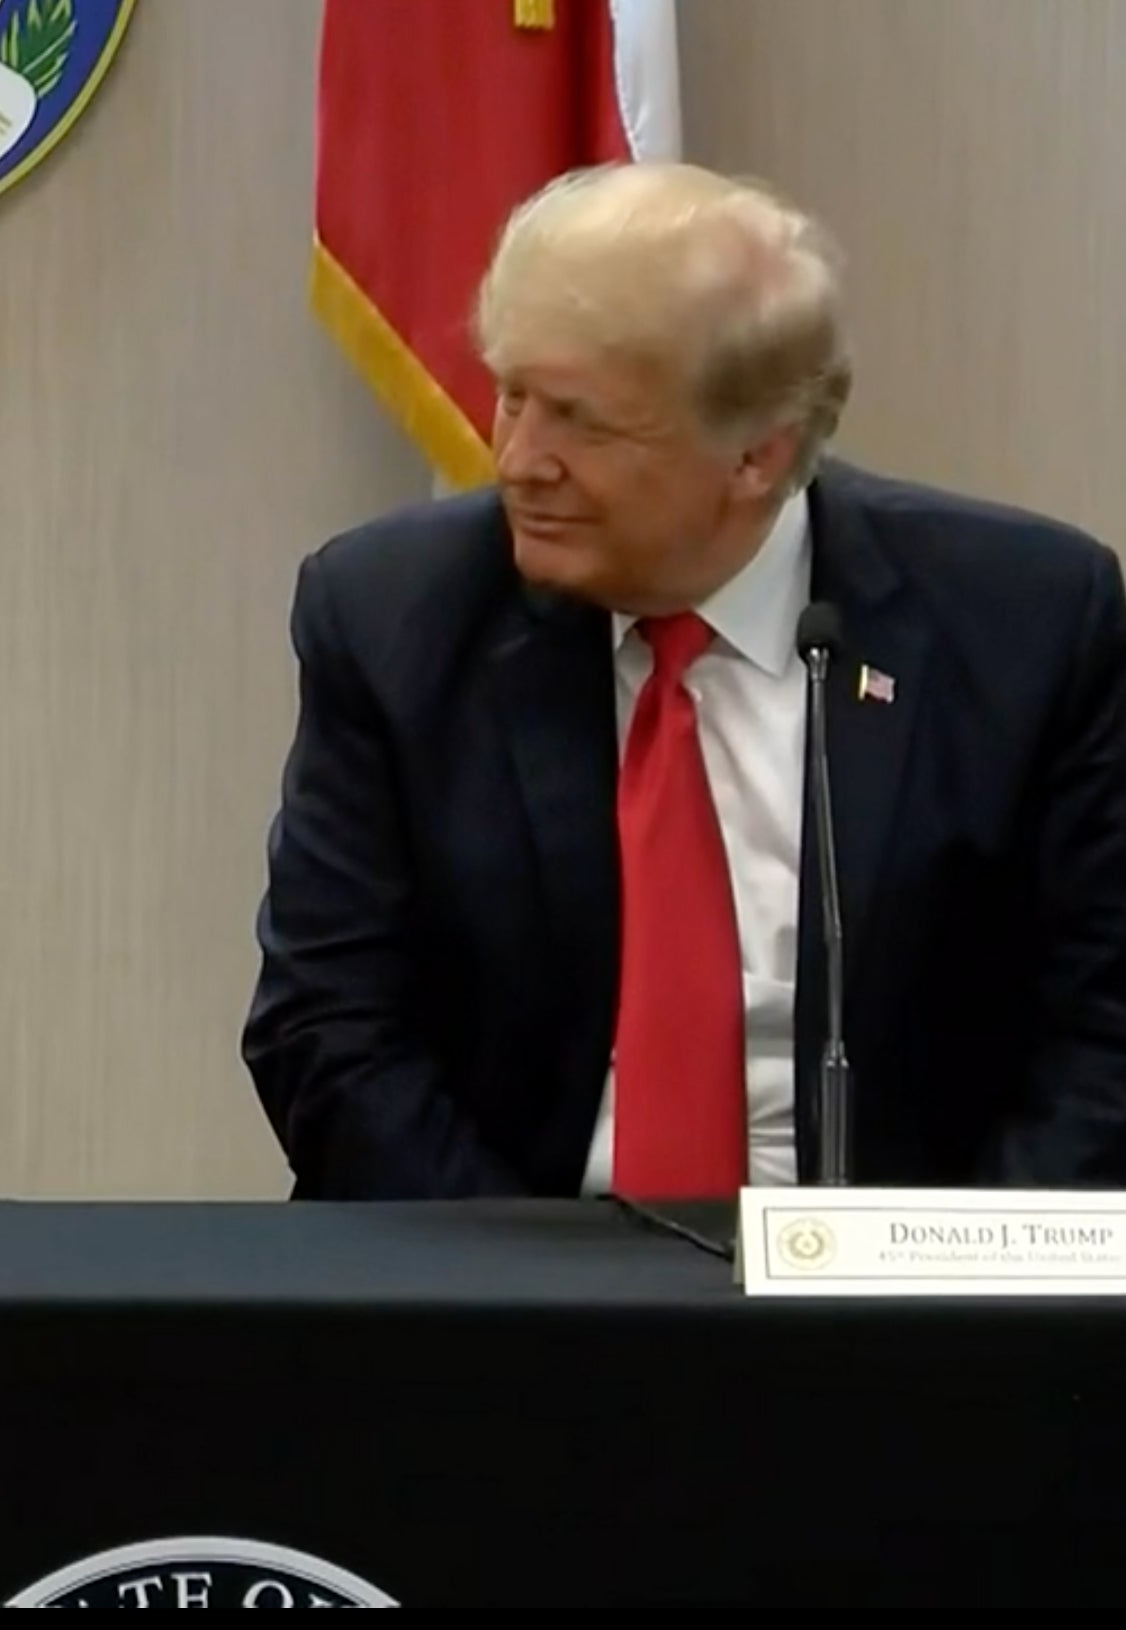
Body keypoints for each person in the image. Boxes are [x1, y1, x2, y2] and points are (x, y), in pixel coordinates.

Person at [242, 160, 1126, 1201]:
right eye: (510, 395)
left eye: (579, 421)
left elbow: (1101, 1037)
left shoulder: (1023, 622)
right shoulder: (391, 616)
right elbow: (327, 1033)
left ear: (755, 456)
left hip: (901, 1312)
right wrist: (532, 1321)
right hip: (500, 1287)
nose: (518, 460)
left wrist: (947, 1318)